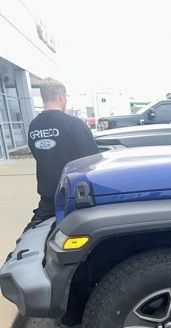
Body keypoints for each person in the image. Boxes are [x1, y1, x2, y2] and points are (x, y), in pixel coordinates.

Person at [25, 77, 98, 230]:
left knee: (32, 236)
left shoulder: (34, 126)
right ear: (60, 97)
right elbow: (93, 160)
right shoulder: (74, 124)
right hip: (75, 195)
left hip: (48, 197)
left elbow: (38, 154)